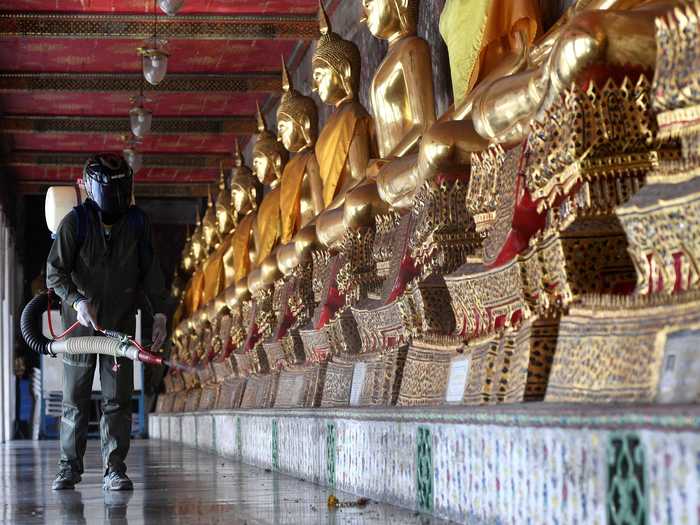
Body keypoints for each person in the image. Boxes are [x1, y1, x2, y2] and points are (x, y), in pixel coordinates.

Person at [46, 153, 169, 491]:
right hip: (81, 328)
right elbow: (54, 273)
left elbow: (151, 272)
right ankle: (68, 469)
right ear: (91, 187)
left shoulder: (137, 223)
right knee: (75, 400)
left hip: (120, 328)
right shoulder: (75, 223)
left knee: (117, 400)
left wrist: (159, 312)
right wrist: (77, 299)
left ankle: (114, 468)